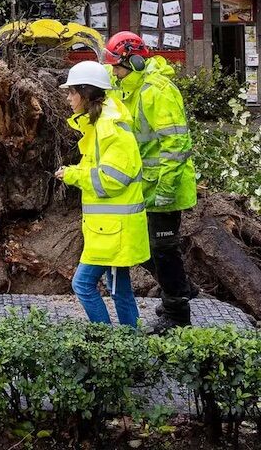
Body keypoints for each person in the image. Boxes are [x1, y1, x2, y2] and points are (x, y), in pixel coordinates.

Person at [105, 32, 197, 331]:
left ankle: (177, 314)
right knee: (144, 246)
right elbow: (108, 75)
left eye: (117, 67)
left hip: (165, 187)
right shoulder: (130, 86)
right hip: (146, 186)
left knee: (162, 248)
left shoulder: (157, 91)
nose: (115, 73)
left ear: (133, 61)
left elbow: (177, 144)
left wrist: (166, 191)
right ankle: (180, 287)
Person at [55, 60, 149, 328]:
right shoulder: (102, 122)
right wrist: (75, 170)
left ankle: (107, 340)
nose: (69, 98)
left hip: (113, 231)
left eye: (72, 92)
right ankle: (129, 342)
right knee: (120, 289)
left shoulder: (109, 126)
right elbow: (99, 166)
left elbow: (112, 179)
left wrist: (73, 176)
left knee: (82, 284)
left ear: (86, 93)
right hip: (110, 229)